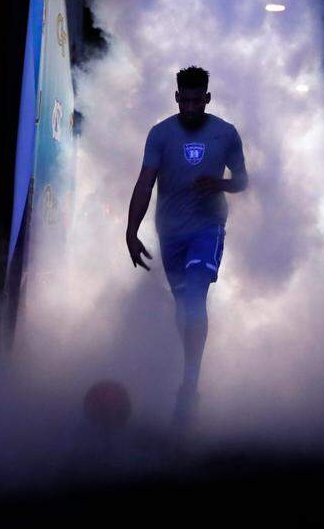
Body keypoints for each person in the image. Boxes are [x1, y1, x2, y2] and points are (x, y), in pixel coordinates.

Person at [125, 66, 248, 427]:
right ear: (176, 97)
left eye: (198, 100)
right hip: (171, 233)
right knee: (184, 310)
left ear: (207, 98)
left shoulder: (225, 133)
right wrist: (131, 232)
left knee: (195, 299)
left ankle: (189, 387)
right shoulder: (160, 134)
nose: (192, 106)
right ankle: (186, 371)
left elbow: (243, 181)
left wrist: (220, 186)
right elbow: (145, 184)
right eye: (186, 100)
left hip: (208, 228)